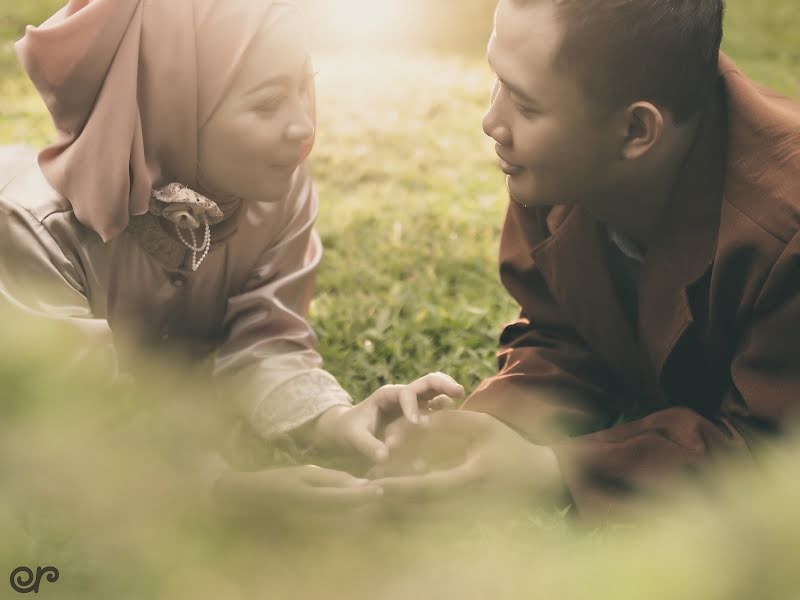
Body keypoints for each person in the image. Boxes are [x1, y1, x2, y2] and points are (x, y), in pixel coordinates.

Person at [0, 0, 464, 512]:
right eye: (268, 104)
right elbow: (75, 425)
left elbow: (264, 340)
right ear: (173, 106)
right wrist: (223, 492)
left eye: (304, 88)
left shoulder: (272, 191)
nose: (304, 127)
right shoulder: (33, 232)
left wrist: (334, 419)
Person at [375, 0, 800, 520]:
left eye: (526, 106)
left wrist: (554, 469)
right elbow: (564, 331)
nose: (492, 121)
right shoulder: (559, 160)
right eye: (498, 80)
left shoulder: (785, 235)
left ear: (636, 131)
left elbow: (768, 457)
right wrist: (499, 424)